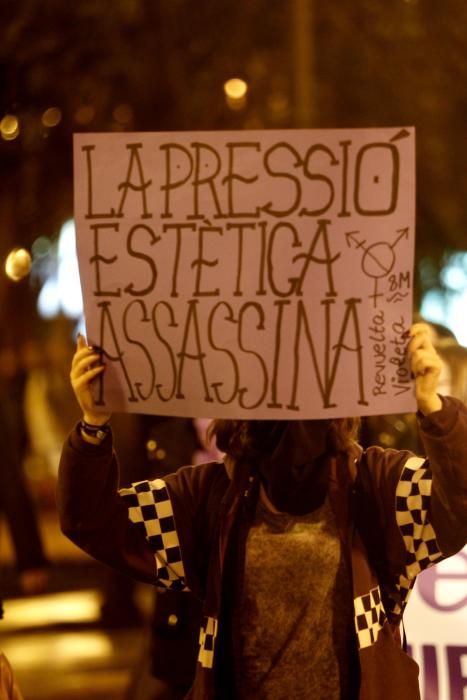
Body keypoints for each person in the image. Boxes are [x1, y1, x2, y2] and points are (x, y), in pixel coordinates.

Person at [57, 323, 467, 700]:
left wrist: (433, 406)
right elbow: (94, 520)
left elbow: (459, 503)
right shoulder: (209, 498)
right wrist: (93, 425)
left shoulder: (376, 485)